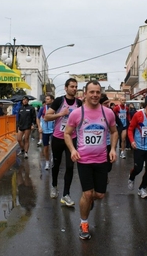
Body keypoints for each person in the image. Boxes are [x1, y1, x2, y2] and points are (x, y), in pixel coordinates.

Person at [64, 80, 118, 240]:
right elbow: (67, 133)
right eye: (92, 92)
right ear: (85, 94)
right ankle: (84, 223)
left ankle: (88, 202)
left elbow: (114, 132)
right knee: (87, 193)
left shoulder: (107, 113)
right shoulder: (77, 113)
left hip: (102, 160)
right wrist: (73, 150)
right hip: (84, 160)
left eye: (97, 92)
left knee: (99, 195)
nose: (95, 95)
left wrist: (113, 149)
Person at [44, 78, 82, 206]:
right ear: (66, 88)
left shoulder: (79, 103)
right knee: (56, 163)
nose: (74, 89)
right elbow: (47, 117)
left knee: (70, 166)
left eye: (76, 86)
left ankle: (66, 194)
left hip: (72, 138)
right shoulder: (59, 101)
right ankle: (54, 185)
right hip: (58, 137)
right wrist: (61, 114)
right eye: (72, 86)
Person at [37, 96, 55, 170]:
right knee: (46, 147)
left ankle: (53, 158)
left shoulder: (56, 109)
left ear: (52, 100)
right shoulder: (42, 109)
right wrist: (39, 127)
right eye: (46, 99)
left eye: (48, 99)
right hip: (45, 131)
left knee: (54, 147)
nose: (46, 100)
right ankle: (47, 163)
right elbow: (38, 118)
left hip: (53, 131)